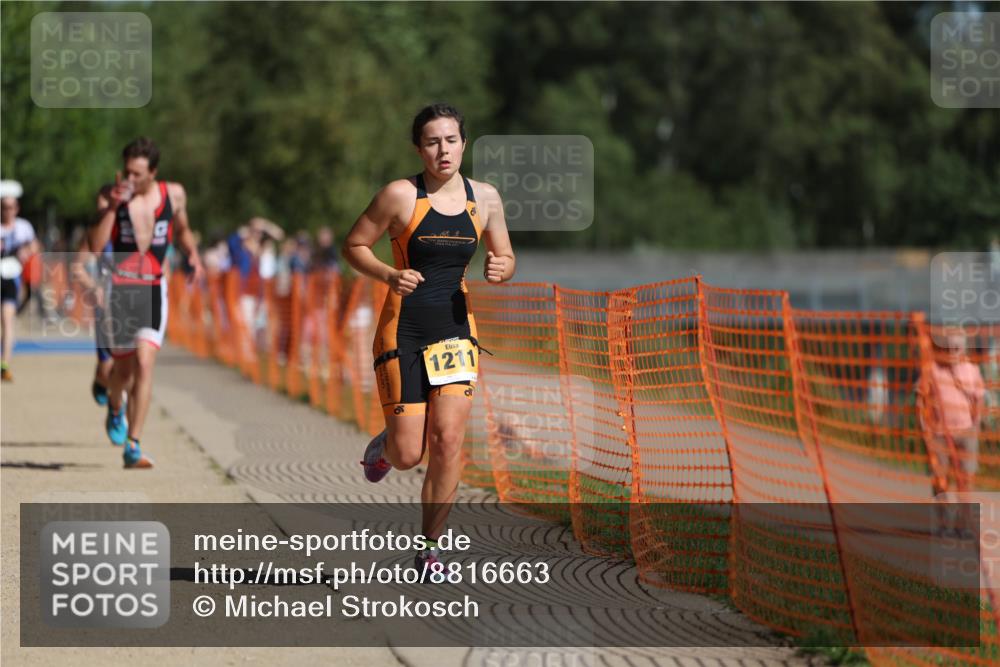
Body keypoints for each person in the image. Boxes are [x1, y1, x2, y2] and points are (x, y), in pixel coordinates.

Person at [343, 103, 515, 575]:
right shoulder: (400, 196)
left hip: (456, 332)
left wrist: (502, 268)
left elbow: (505, 255)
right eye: (433, 141)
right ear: (419, 148)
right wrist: (387, 274)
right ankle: (385, 446)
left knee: (448, 439)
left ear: (464, 143)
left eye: (452, 139)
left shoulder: (486, 199)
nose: (443, 150)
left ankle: (430, 548)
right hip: (405, 328)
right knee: (407, 454)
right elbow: (354, 244)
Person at [88, 137, 204, 468]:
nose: (130, 180)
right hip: (120, 291)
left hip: (154, 287)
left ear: (153, 172)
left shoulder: (174, 194)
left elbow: (182, 230)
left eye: (138, 174)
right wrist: (111, 206)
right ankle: (114, 408)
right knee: (121, 371)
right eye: (127, 172)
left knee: (144, 362)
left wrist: (192, 253)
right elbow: (96, 245)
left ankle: (134, 444)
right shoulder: (110, 197)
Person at [918, 327, 986, 537]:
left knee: (966, 479)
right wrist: (926, 429)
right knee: (940, 480)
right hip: (938, 433)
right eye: (949, 346)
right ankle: (943, 523)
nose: (952, 351)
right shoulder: (932, 370)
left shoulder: (972, 369)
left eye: (957, 346)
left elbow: (979, 398)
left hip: (966, 432)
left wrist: (976, 423)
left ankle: (963, 524)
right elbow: (921, 400)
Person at [71, 184, 116, 405]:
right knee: (107, 367)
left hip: (130, 300)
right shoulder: (93, 231)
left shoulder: (130, 228)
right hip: (104, 304)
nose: (102, 204)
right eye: (100, 199)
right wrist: (93, 287)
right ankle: (102, 381)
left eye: (107, 199)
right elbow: (77, 268)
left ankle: (119, 407)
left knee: (131, 363)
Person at [1, 191, 37, 382]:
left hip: (11, 279)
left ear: (16, 208)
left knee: (8, 321)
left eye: (11, 207)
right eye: (4, 207)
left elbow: (35, 246)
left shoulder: (24, 227)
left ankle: (4, 364)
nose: (7, 211)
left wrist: (26, 251)